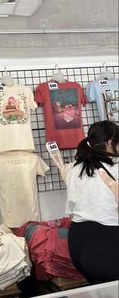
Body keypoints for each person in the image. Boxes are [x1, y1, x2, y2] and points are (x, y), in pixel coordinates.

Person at [65, 120, 119, 284]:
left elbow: (73, 204)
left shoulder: (76, 169)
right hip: (107, 242)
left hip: (77, 241)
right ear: (110, 143)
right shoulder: (116, 167)